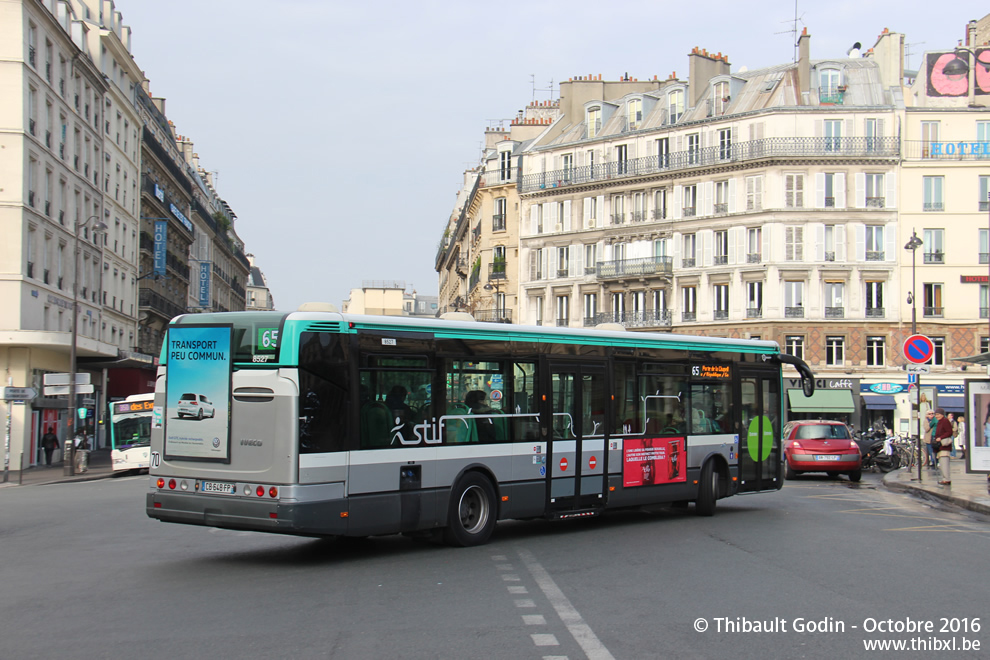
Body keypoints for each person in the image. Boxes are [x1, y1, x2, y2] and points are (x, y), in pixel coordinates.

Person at [933, 408, 954, 485]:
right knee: (942, 463)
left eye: (938, 414)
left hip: (944, 445)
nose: (936, 416)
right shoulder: (940, 422)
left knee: (944, 463)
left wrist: (940, 438)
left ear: (942, 414)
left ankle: (946, 479)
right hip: (941, 446)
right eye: (936, 414)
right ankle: (945, 478)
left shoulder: (945, 421)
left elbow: (949, 432)